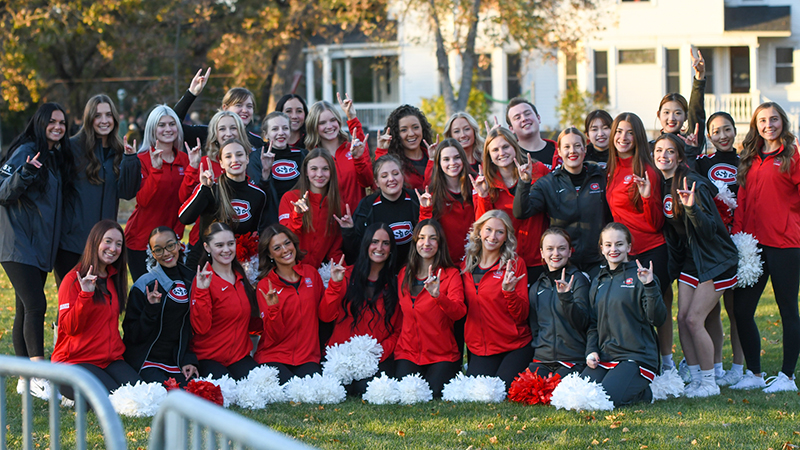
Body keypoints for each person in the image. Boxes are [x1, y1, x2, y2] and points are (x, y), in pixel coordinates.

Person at [653, 134, 738, 397]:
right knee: (681, 319)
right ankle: (697, 378)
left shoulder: (693, 184)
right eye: (659, 151)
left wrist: (691, 208)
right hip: (691, 262)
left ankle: (710, 383)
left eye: (670, 152)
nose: (663, 156)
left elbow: (711, 230)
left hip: (715, 259)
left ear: (679, 157)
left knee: (693, 319)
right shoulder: (662, 184)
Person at [0, 102, 74, 397]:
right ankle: (39, 374)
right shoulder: (26, 150)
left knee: (23, 308)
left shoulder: (54, 156)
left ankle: (24, 377)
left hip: (38, 245)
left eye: (62, 123)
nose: (58, 127)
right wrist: (26, 171)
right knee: (35, 305)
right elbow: (3, 191)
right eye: (52, 122)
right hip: (17, 242)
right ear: (41, 123)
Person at [730, 102, 800, 393]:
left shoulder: (793, 156)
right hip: (754, 247)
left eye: (773, 119)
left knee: (787, 310)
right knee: (742, 310)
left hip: (786, 244)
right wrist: (738, 238)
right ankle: (755, 374)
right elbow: (743, 202)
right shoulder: (750, 158)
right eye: (762, 120)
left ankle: (787, 377)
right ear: (755, 125)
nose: (768, 124)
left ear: (782, 122)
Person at [605, 112, 672, 371]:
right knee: (632, 312)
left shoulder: (646, 169)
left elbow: (656, 223)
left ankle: (665, 364)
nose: (623, 137)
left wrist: (646, 196)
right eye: (619, 131)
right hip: (625, 254)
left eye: (630, 132)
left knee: (654, 311)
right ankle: (640, 363)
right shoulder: (610, 169)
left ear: (638, 137)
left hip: (652, 251)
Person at [52, 220, 141, 398]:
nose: (113, 248)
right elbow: (69, 328)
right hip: (74, 362)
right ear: (95, 242)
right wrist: (85, 295)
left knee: (140, 395)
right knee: (115, 400)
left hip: (109, 360)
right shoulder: (73, 280)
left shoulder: (113, 278)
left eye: (118, 244)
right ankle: (70, 394)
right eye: (107, 241)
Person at [57, 94, 140, 286]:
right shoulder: (71, 148)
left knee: (100, 306)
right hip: (73, 244)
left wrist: (130, 160)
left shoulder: (119, 151)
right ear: (89, 119)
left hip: (104, 245)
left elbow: (127, 193)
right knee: (71, 306)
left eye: (108, 115)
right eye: (98, 115)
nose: (104, 121)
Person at [582, 223, 667, 407]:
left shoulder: (642, 276)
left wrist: (649, 286)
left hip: (637, 356)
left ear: (629, 247)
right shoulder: (598, 281)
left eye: (619, 244)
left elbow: (658, 319)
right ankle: (621, 382)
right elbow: (593, 323)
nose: (614, 249)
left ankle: (648, 391)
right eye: (608, 244)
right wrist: (591, 351)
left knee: (606, 399)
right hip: (606, 357)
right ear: (602, 248)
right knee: (582, 393)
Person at [513, 127, 610, 277]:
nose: (572, 151)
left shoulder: (600, 177)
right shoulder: (548, 183)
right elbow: (521, 212)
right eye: (567, 147)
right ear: (558, 151)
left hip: (598, 260)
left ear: (585, 149)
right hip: (565, 263)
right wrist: (524, 183)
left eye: (577, 146)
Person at [320, 223, 402, 395]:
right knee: (340, 388)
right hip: (341, 355)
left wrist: (377, 352)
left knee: (366, 388)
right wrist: (335, 284)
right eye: (374, 242)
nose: (379, 248)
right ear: (366, 244)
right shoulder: (345, 275)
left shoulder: (395, 284)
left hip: (375, 356)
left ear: (391, 249)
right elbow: (325, 316)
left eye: (385, 243)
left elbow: (398, 331)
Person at [180, 110, 273, 255]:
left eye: (233, 128)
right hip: (206, 242)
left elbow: (257, 202)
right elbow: (185, 202)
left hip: (241, 245)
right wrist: (194, 171)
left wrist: (265, 175)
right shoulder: (205, 163)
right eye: (222, 129)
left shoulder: (252, 160)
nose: (228, 133)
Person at [125, 105, 200, 280]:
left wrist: (193, 168)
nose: (168, 129)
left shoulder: (186, 158)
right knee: (147, 294)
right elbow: (143, 201)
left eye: (172, 124)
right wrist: (156, 171)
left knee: (173, 293)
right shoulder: (142, 159)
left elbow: (185, 201)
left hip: (171, 241)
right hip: (140, 240)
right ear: (152, 129)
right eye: (162, 125)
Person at [697, 111, 745, 386]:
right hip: (712, 244)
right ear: (709, 135)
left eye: (727, 129)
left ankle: (738, 367)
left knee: (737, 310)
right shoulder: (703, 162)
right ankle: (715, 365)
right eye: (716, 131)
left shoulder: (745, 162)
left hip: (738, 240)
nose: (723, 136)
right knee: (711, 310)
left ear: (734, 130)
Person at [462, 210, 531, 390]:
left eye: (500, 232)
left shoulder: (515, 264)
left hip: (514, 345)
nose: (493, 236)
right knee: (477, 392)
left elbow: (522, 314)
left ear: (507, 237)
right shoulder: (466, 265)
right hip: (481, 349)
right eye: (488, 230)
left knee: (500, 390)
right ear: (479, 232)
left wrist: (510, 292)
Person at [395, 220, 466, 397]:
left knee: (433, 393)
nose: (426, 243)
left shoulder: (451, 274)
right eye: (421, 238)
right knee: (407, 393)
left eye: (433, 238)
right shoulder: (404, 273)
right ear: (415, 242)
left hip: (442, 354)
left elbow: (459, 312)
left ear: (440, 243)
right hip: (408, 352)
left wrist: (437, 296)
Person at [471, 127, 549, 280]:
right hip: (508, 261)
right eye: (495, 150)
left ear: (514, 146)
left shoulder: (538, 170)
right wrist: (483, 196)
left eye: (505, 146)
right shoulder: (486, 183)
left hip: (541, 258)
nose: (501, 153)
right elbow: (483, 227)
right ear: (489, 155)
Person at [123, 227, 198, 385]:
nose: (166, 253)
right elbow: (131, 335)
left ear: (178, 245)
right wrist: (151, 310)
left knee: (196, 397)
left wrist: (189, 360)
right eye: (158, 250)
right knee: (168, 398)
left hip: (177, 362)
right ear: (152, 253)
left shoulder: (192, 280)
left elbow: (191, 328)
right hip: (148, 360)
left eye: (170, 246)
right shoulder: (144, 284)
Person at [179, 138, 269, 269]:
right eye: (228, 156)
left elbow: (254, 234)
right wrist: (203, 188)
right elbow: (185, 218)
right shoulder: (211, 188)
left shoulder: (258, 195)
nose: (235, 160)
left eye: (239, 155)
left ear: (247, 159)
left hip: (238, 264)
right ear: (221, 163)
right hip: (204, 263)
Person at [254, 225, 326, 383]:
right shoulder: (265, 286)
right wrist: (273, 308)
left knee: (310, 391)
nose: (285, 250)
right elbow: (273, 336)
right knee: (289, 390)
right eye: (277, 247)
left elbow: (324, 316)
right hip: (274, 356)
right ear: (269, 254)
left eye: (287, 243)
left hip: (308, 357)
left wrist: (335, 285)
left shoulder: (311, 274)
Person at [190, 222, 261, 380]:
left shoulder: (241, 278)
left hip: (239, 357)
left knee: (260, 384)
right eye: (219, 245)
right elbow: (200, 328)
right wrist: (201, 291)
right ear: (207, 247)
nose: (226, 250)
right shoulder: (203, 279)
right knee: (227, 391)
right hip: (209, 358)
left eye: (230, 244)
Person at [338, 154, 419, 271]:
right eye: (384, 176)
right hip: (380, 275)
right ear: (376, 181)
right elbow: (355, 250)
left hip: (412, 272)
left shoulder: (416, 199)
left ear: (402, 175)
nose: (391, 179)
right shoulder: (367, 205)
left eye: (396, 173)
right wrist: (348, 230)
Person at [527, 228, 590, 378]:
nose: (556, 253)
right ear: (542, 253)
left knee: (558, 393)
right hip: (542, 359)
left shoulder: (578, 280)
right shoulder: (537, 287)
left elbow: (583, 322)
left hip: (571, 359)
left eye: (561, 248)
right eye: (550, 249)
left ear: (569, 252)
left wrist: (566, 297)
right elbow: (535, 327)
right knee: (526, 392)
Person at [305, 94, 373, 213]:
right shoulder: (312, 156)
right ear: (314, 126)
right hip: (329, 224)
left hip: (358, 220)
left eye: (333, 120)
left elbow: (368, 181)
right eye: (322, 123)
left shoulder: (351, 148)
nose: (329, 126)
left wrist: (352, 117)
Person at [278, 149, 344, 269]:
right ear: (306, 172)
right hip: (289, 272)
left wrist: (346, 274)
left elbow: (335, 252)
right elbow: (284, 240)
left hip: (317, 275)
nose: (319, 174)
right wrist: (296, 215)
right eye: (314, 169)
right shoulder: (290, 198)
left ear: (332, 172)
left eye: (325, 169)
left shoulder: (338, 206)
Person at [417, 138, 475, 264]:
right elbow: (425, 232)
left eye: (457, 157)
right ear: (439, 163)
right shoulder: (433, 194)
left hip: (476, 261)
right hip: (447, 264)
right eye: (446, 159)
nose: (452, 163)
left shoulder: (475, 185)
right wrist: (425, 210)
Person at [652, 48, 707, 156]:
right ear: (658, 115)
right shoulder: (650, 147)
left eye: (677, 113)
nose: (671, 118)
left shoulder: (690, 143)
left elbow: (696, 112)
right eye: (666, 112)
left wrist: (699, 79)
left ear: (686, 116)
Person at [376, 104, 435, 190]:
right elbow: (378, 182)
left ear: (423, 129)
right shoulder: (394, 163)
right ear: (396, 134)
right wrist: (381, 151)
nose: (411, 133)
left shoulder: (435, 158)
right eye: (404, 130)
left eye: (415, 127)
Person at [262, 111, 308, 203]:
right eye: (275, 129)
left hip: (298, 211)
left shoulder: (303, 154)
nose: (281, 133)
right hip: (271, 214)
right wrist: (265, 172)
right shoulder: (258, 157)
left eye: (285, 128)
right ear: (266, 134)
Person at [504, 98, 558, 169]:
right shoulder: (508, 156)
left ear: (538, 118)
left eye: (527, 114)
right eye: (517, 118)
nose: (524, 119)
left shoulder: (559, 152)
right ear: (511, 128)